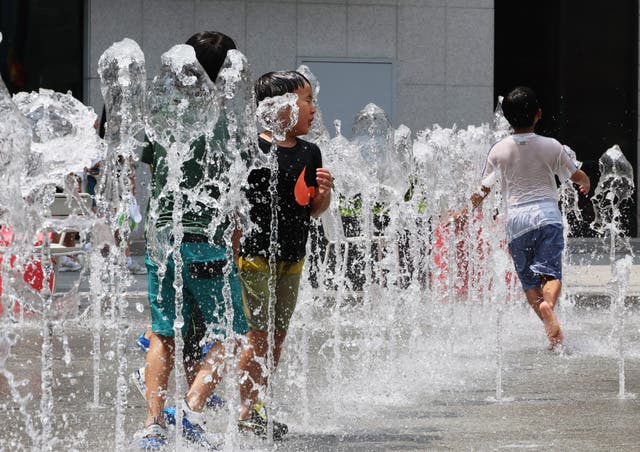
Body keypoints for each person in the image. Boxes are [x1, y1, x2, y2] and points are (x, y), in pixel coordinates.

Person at [134, 31, 248, 449]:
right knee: (227, 331)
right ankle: (192, 410)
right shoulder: (229, 120)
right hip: (208, 239)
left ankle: (151, 425)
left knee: (163, 331)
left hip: (161, 238)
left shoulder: (162, 113)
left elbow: (149, 163)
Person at [235, 71, 332, 439]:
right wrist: (233, 252)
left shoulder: (310, 152)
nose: (313, 109)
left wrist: (323, 194)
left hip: (293, 256)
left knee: (276, 336)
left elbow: (312, 209)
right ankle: (245, 409)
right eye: (307, 100)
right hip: (256, 256)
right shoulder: (251, 149)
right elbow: (236, 209)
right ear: (281, 105)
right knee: (258, 334)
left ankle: (257, 405)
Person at [463, 86, 590, 350]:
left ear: (507, 119)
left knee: (529, 281)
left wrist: (465, 212)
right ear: (538, 114)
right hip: (547, 217)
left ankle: (546, 322)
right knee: (551, 274)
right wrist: (585, 180)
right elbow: (574, 174)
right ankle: (549, 305)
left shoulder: (498, 150)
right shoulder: (551, 146)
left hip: (517, 222)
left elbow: (483, 188)